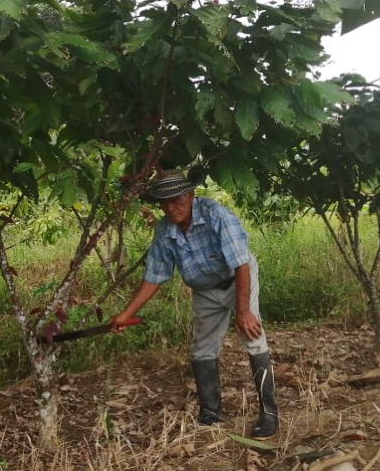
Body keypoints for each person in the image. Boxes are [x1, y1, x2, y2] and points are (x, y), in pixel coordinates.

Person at [110, 169, 279, 439]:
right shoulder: (164, 231)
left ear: (190, 194)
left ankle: (269, 414)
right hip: (204, 289)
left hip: (238, 278)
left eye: (176, 199)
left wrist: (244, 310)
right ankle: (211, 412)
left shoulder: (216, 215)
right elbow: (154, 277)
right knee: (202, 349)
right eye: (163, 202)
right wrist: (125, 314)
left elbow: (240, 263)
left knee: (252, 336)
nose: (170, 207)